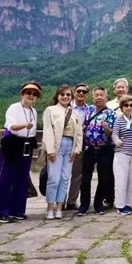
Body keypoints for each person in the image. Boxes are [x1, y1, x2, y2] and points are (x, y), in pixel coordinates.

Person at [0, 81, 42, 223]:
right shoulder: (14, 108)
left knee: (22, 178)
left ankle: (17, 210)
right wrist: (25, 125)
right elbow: (12, 126)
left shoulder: (33, 111)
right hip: (13, 143)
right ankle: (1, 212)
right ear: (22, 94)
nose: (31, 96)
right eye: (28, 93)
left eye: (34, 94)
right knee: (6, 177)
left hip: (26, 144)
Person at [42, 85, 83, 220]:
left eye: (68, 95)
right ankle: (50, 208)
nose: (65, 97)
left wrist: (77, 150)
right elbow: (48, 131)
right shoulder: (50, 110)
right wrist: (50, 150)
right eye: (62, 94)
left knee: (65, 178)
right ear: (57, 96)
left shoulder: (74, 114)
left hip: (70, 146)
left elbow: (79, 134)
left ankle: (59, 207)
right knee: (54, 179)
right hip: (57, 146)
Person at [78, 87, 116, 216]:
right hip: (89, 148)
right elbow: (84, 125)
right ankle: (84, 205)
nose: (99, 97)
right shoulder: (89, 110)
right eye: (96, 95)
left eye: (101, 95)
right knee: (85, 178)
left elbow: (112, 133)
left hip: (105, 149)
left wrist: (107, 129)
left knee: (103, 178)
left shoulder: (111, 113)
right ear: (93, 97)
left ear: (106, 97)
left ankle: (98, 204)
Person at [111, 95, 132, 215]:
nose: (129, 107)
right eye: (126, 105)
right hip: (122, 153)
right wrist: (117, 141)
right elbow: (114, 134)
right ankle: (120, 205)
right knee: (121, 180)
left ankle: (128, 204)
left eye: (131, 105)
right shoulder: (119, 120)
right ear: (122, 107)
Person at [65, 83, 90, 210]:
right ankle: (59, 200)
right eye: (79, 91)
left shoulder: (89, 110)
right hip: (65, 143)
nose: (81, 93)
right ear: (74, 93)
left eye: (84, 92)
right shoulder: (66, 106)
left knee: (77, 175)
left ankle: (71, 201)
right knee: (62, 174)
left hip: (80, 144)